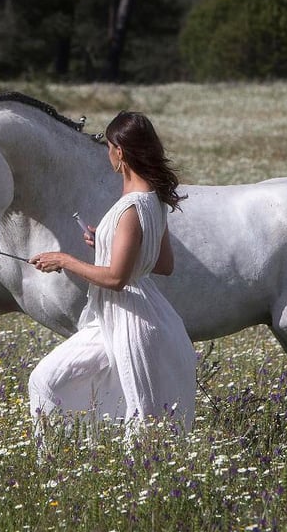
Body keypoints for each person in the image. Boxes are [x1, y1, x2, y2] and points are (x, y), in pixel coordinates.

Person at [28, 111, 197, 439]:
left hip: (129, 325)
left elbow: (117, 279)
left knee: (145, 430)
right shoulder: (154, 200)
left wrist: (64, 259)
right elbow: (162, 264)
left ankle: (57, 459)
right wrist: (105, 242)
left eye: (108, 147)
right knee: (45, 379)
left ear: (119, 151)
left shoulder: (131, 207)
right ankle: (67, 456)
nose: (108, 154)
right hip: (129, 318)